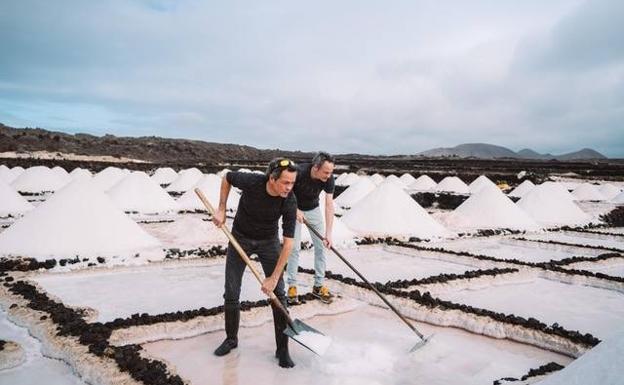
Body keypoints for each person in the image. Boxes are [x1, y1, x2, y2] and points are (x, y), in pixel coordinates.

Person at [212, 158, 298, 368]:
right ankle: (231, 339)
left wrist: (273, 277)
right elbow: (227, 177)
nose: (289, 187)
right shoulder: (252, 182)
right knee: (231, 291)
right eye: (285, 182)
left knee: (279, 294)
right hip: (240, 237)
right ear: (272, 178)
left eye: (293, 183)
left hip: (269, 242)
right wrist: (221, 208)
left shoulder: (289, 200)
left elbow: (288, 245)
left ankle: (283, 350)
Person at [286, 151, 336, 304]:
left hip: (313, 210)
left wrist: (328, 233)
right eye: (326, 172)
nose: (328, 175)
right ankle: (292, 286)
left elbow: (328, 204)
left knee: (321, 246)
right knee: (293, 248)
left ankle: (318, 286)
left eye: (331, 172)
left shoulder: (329, 179)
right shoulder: (299, 172)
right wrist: (295, 210)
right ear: (315, 167)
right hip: (293, 209)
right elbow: (286, 192)